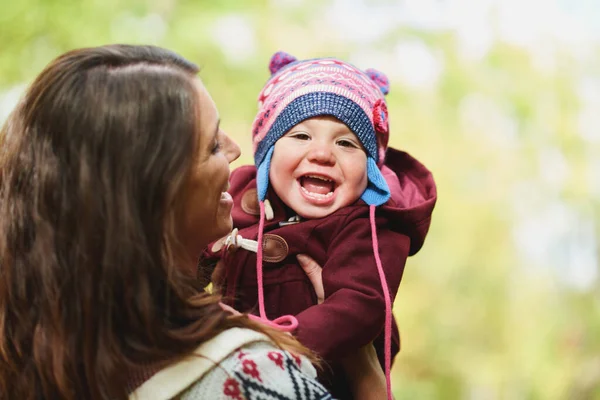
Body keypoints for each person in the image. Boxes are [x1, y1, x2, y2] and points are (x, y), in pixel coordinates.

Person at [0, 44, 385, 400]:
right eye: (213, 145)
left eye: (345, 142)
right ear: (157, 192)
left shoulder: (33, 347)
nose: (237, 151)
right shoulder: (250, 378)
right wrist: (368, 379)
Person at [203, 51, 437, 400]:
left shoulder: (369, 226)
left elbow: (361, 305)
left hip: (321, 378)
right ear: (267, 154)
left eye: (346, 143)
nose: (323, 154)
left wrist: (283, 342)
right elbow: (193, 252)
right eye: (301, 136)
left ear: (370, 172)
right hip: (236, 371)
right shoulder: (241, 196)